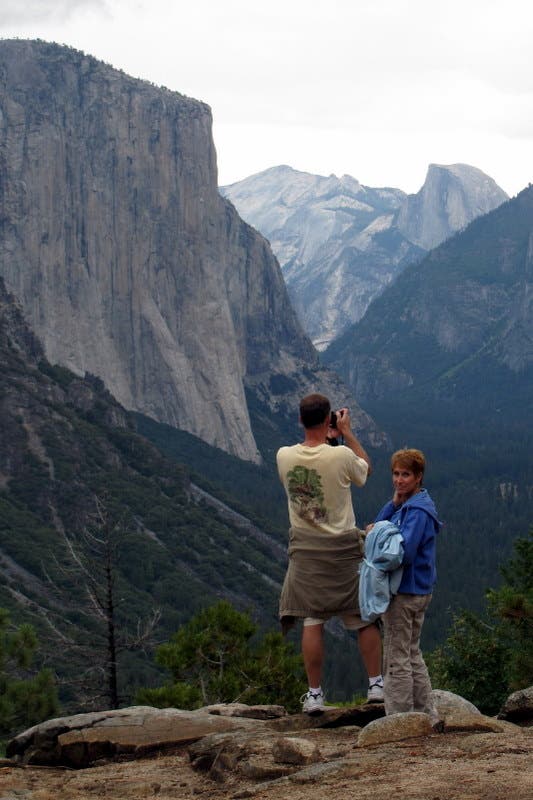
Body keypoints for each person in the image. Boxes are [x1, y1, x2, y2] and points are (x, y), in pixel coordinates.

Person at [277, 393, 383, 714]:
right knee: (363, 618)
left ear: (299, 420)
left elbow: (317, 463)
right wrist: (347, 435)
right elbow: (365, 470)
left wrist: (327, 438)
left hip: (306, 552)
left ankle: (314, 694)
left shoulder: (283, 456)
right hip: (343, 550)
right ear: (328, 420)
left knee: (312, 620)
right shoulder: (340, 457)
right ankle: (376, 686)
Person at [372, 448, 442, 724]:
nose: (399, 480)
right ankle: (426, 714)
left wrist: (376, 535)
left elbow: (403, 552)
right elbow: (382, 522)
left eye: (405, 475)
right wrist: (393, 503)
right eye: (396, 474)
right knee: (412, 652)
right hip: (418, 589)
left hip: (405, 591)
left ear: (418, 477)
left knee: (396, 656)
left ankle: (399, 719)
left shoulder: (417, 512)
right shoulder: (411, 505)